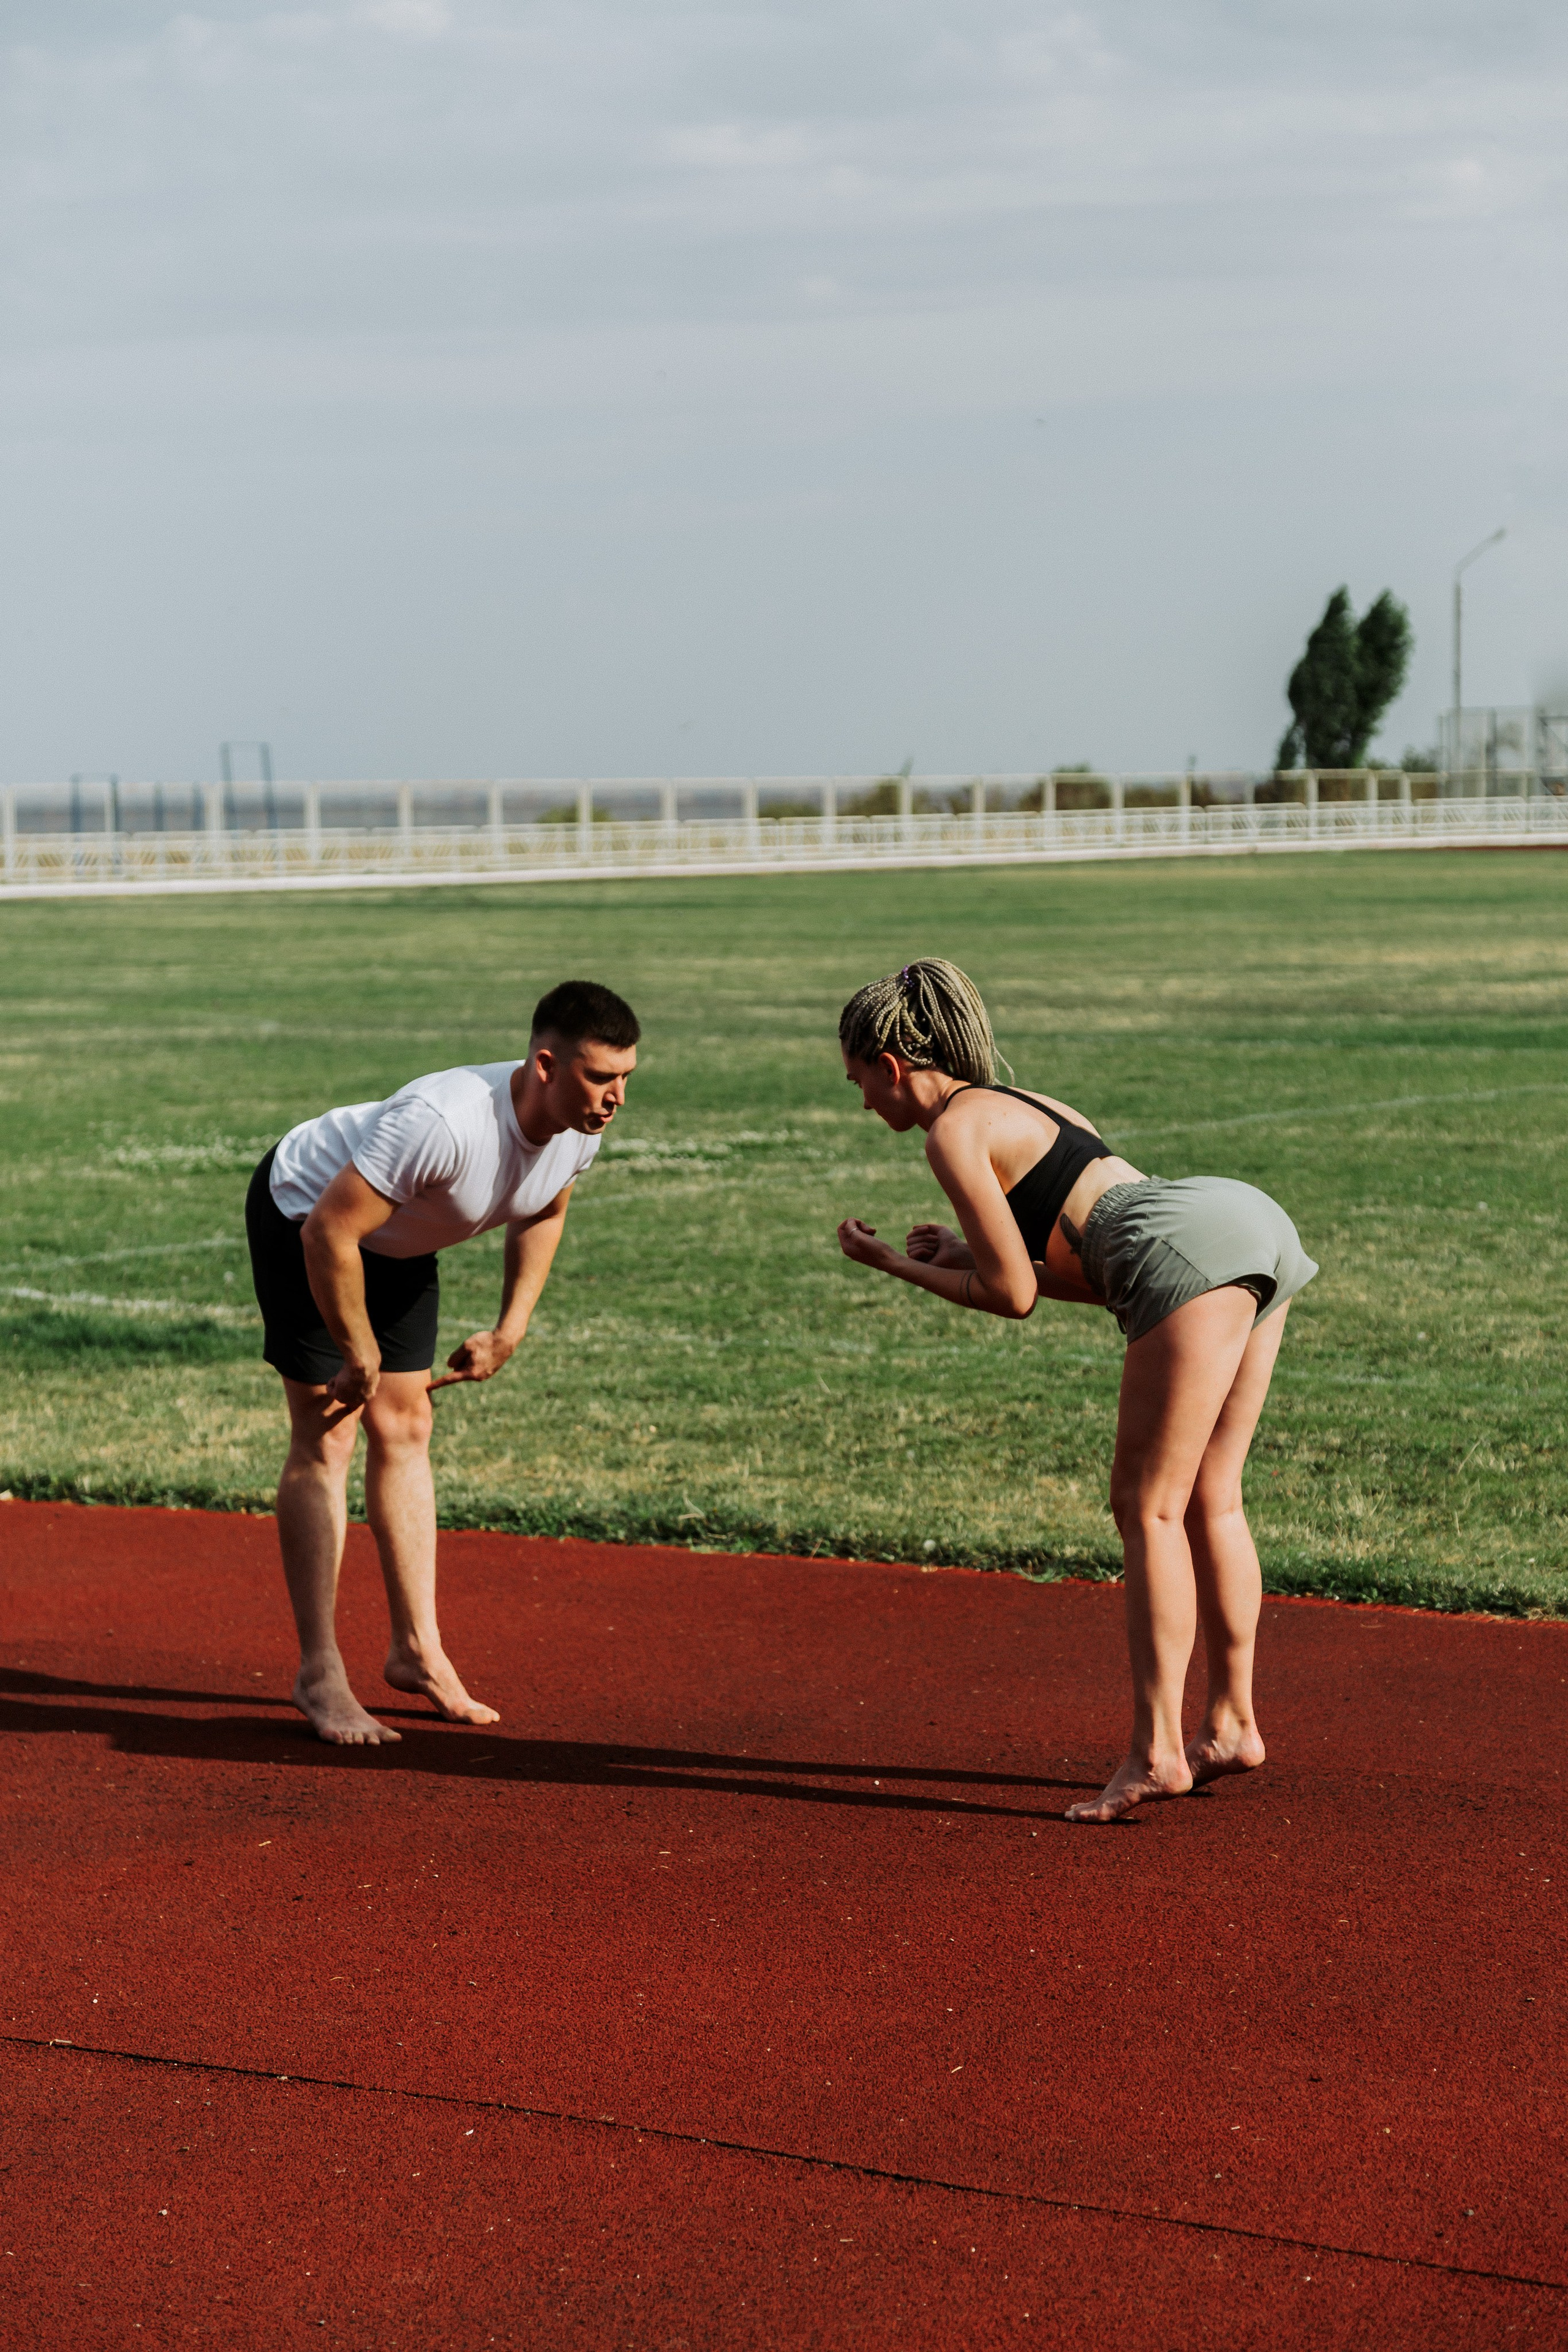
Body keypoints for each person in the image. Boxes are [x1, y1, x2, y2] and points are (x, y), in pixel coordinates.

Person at [834, 958, 1316, 1825]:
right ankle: (1233, 1724)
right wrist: (969, 1255)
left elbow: (1014, 1296)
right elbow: (1107, 1266)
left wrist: (895, 1264)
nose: (864, 1102)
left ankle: (1158, 1752)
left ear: (891, 1062)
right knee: (1214, 1497)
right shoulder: (1033, 1105)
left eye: (860, 1080)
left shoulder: (952, 1133)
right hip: (1245, 1224)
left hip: (1185, 1253)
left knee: (1148, 1508)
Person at [245, 979, 640, 1746]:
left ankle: (415, 1650)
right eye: (600, 1077)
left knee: (408, 1424)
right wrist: (357, 1350)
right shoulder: (445, 1122)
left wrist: (509, 1327)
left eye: (625, 1077)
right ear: (547, 1064)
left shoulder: (579, 1126)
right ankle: (319, 1674)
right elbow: (330, 1231)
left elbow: (547, 1204)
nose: (615, 1096)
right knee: (328, 1430)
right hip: (308, 1218)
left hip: (398, 1239)